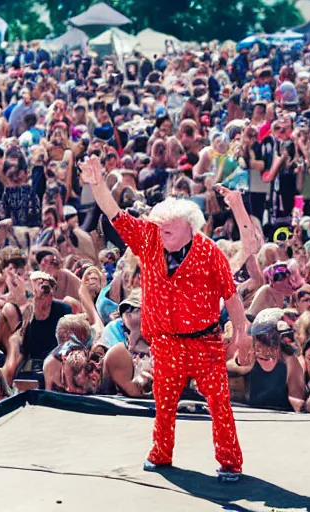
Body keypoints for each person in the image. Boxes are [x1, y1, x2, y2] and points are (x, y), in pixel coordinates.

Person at [79, 154, 251, 482]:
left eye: (169, 230)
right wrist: (98, 184)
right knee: (164, 402)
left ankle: (230, 462)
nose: (163, 234)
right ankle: (161, 453)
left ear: (190, 228)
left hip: (205, 342)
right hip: (167, 343)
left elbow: (231, 295)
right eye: (160, 228)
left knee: (219, 403)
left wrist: (241, 333)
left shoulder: (209, 252)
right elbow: (115, 214)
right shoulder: (149, 238)